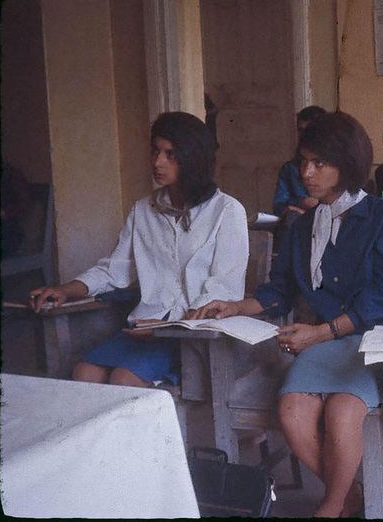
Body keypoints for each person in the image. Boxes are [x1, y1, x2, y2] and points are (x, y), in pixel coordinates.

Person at [193, 111, 383, 517]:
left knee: (343, 411)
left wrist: (321, 333)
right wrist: (235, 306)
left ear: (346, 165)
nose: (307, 172)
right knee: (292, 412)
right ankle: (348, 497)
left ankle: (330, 507)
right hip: (324, 344)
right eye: (304, 162)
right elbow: (278, 291)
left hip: (374, 342)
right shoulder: (302, 226)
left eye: (320, 163)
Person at [29, 112, 249, 388]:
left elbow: (224, 290)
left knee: (124, 378)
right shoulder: (143, 210)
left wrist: (167, 327)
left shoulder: (226, 211)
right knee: (85, 373)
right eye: (155, 151)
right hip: (143, 330)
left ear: (194, 158)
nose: (158, 162)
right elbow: (115, 269)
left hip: (193, 336)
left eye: (170, 154)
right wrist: (65, 290)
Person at [272, 105, 327, 218]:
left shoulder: (335, 166)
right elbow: (278, 206)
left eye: (310, 130)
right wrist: (300, 203)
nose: (304, 136)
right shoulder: (289, 169)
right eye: (301, 131)